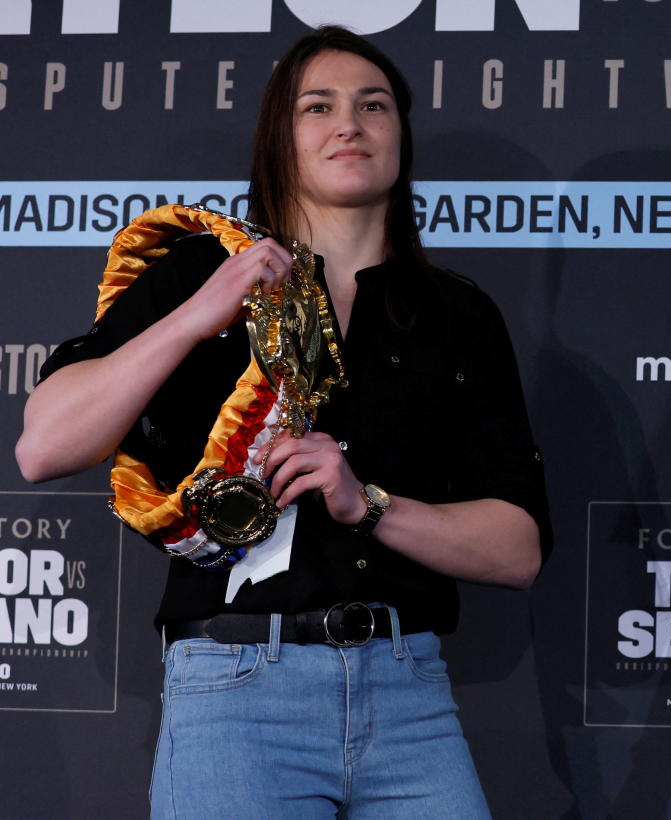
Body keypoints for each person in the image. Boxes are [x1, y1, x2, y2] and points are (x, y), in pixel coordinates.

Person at [16, 26, 549, 819]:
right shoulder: (204, 270)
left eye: (374, 105)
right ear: (280, 138)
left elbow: (518, 548)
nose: (349, 124)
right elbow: (44, 446)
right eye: (318, 106)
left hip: (410, 696)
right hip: (237, 693)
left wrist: (366, 502)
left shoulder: (456, 313)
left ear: (401, 134)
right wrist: (197, 316)